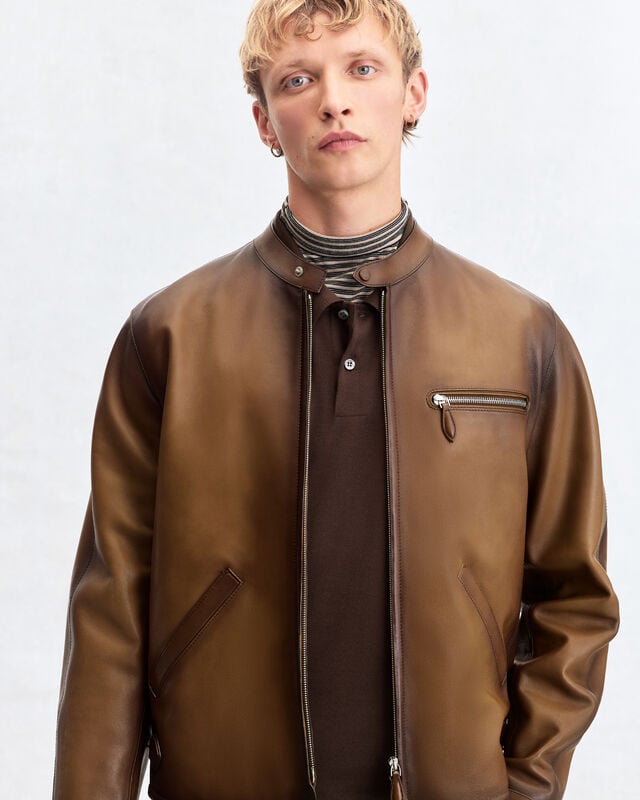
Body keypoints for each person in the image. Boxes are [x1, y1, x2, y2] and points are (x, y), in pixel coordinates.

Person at [52, 1, 619, 799]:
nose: (334, 101)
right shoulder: (169, 336)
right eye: (297, 80)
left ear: (413, 93)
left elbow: (574, 598)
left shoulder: (522, 336)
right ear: (264, 122)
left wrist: (522, 786)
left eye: (361, 68)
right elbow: (111, 613)